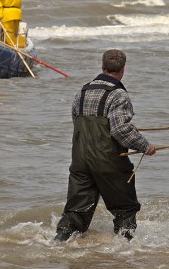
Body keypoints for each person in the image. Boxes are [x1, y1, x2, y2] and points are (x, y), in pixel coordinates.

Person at [54, 49, 157, 242]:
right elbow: (120, 130)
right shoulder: (118, 95)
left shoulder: (82, 92)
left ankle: (57, 244)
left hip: (80, 161)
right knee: (125, 209)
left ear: (103, 66)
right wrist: (145, 146)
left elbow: (77, 121)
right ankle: (124, 253)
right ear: (123, 69)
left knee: (75, 212)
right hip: (109, 162)